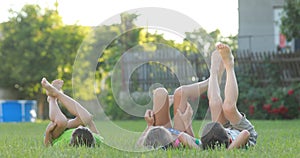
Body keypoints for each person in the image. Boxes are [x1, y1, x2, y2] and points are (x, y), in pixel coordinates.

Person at [136, 48, 225, 150]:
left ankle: (212, 81)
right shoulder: (179, 141)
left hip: (161, 131)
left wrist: (149, 125)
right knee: (180, 92)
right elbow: (198, 145)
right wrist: (187, 123)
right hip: (178, 132)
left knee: (159, 93)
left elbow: (139, 145)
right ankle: (213, 80)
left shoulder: (155, 139)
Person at [177, 42, 258, 150]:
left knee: (215, 104)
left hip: (220, 133)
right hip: (242, 131)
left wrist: (200, 149)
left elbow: (182, 136)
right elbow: (245, 134)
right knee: (229, 108)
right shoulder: (236, 141)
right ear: (230, 140)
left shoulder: (206, 144)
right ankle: (229, 65)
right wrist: (229, 151)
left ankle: (214, 71)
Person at [41, 77, 103, 147]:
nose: (79, 125)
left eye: (78, 127)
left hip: (55, 132)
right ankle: (57, 93)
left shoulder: (63, 142)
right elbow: (91, 123)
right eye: (83, 127)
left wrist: (48, 132)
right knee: (87, 118)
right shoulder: (96, 140)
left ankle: (51, 98)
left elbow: (48, 146)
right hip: (68, 126)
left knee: (61, 122)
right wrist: (89, 119)